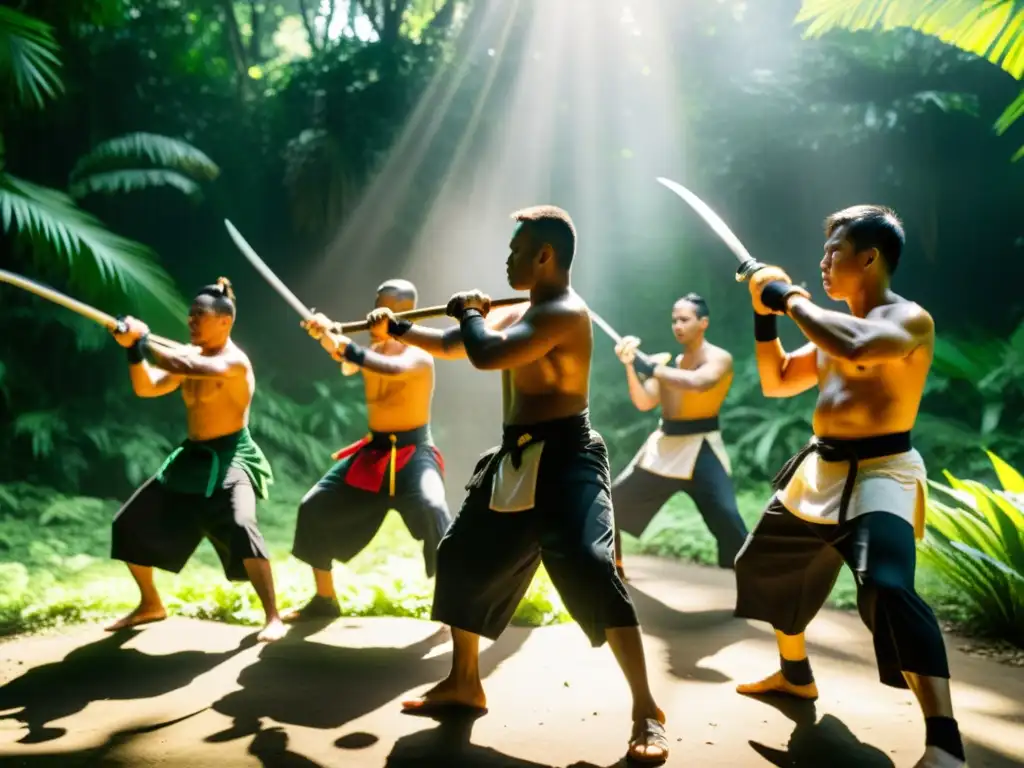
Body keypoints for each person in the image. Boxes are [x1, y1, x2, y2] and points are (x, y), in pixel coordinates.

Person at [366, 206, 670, 765]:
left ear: (545, 255)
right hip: (517, 454)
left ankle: (647, 709)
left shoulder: (563, 312)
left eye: (515, 250)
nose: (506, 260)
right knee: (459, 554)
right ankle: (464, 682)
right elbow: (460, 346)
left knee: (591, 564)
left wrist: (470, 314)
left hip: (568, 455)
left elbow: (485, 353)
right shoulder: (523, 310)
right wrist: (402, 331)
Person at [734, 205, 965, 768]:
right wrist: (765, 316)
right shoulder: (832, 330)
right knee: (763, 564)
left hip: (882, 474)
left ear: (871, 257)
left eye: (834, 251)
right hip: (821, 470)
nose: (824, 262)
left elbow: (857, 346)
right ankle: (795, 677)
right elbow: (777, 380)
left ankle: (945, 745)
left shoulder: (907, 320)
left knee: (888, 588)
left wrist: (787, 296)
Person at [107, 278, 286, 643]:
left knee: (241, 524)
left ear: (225, 321)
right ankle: (150, 604)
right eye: (190, 315)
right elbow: (147, 388)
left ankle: (273, 617)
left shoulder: (233, 362)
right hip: (191, 457)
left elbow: (190, 366)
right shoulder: (190, 356)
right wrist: (133, 351)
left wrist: (141, 340)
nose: (190, 321)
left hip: (232, 455)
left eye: (199, 315)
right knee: (127, 524)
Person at [283, 279, 452, 622]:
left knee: (434, 510)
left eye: (383, 309)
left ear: (404, 315)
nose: (373, 316)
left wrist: (344, 346)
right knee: (313, 506)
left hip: (413, 453)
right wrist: (323, 332)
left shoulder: (420, 357)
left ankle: (451, 606)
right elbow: (343, 352)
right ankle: (324, 599)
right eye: (375, 306)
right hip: (374, 452)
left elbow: (385, 368)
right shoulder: (372, 350)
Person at [609, 293, 748, 579]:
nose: (678, 325)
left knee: (728, 518)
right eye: (674, 320)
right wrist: (630, 366)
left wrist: (652, 368)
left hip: (704, 447)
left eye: (684, 319)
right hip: (665, 448)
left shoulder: (718, 358)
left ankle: (756, 584)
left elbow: (699, 383)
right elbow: (645, 402)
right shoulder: (670, 366)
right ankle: (614, 568)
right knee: (611, 506)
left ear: (703, 322)